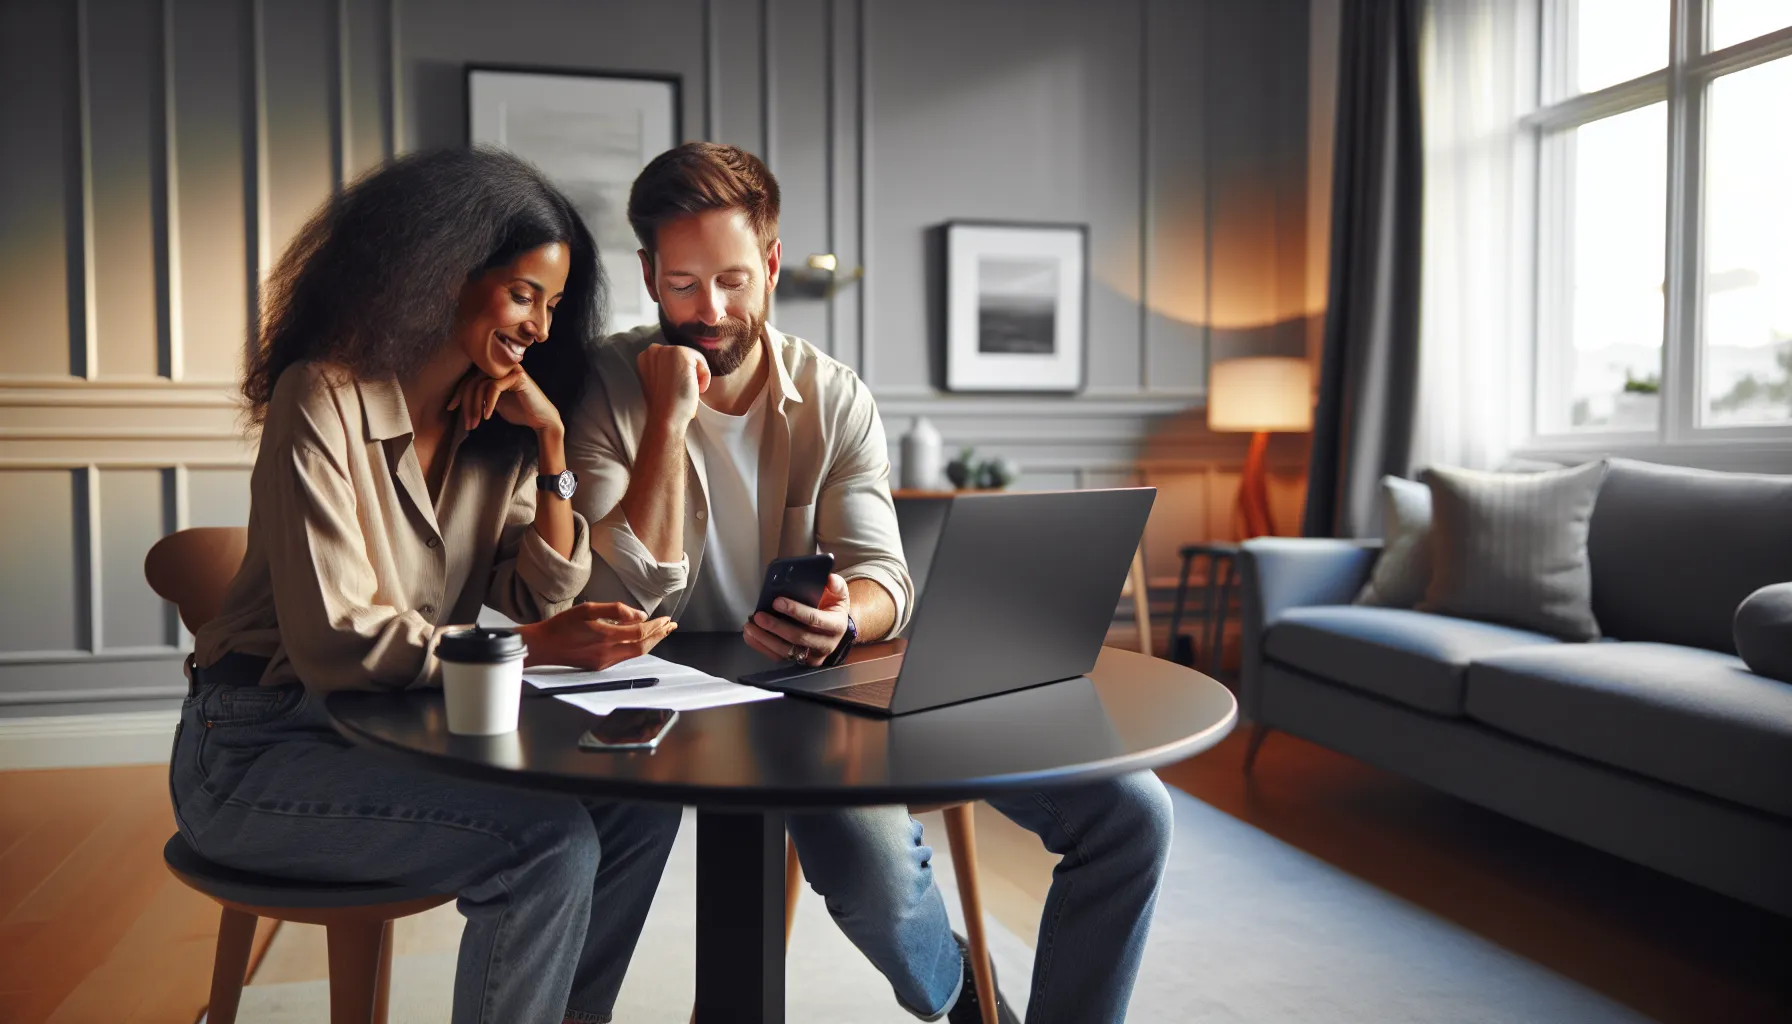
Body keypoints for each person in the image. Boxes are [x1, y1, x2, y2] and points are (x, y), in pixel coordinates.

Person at [567, 142, 1173, 1024]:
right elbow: (614, 588)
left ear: (770, 263)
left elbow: (884, 574)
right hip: (666, 689)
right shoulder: (606, 387)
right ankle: (967, 995)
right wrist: (668, 418)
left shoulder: (834, 395)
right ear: (649, 273)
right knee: (875, 876)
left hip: (813, 683)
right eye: (685, 284)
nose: (711, 311)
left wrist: (847, 617)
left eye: (734, 280)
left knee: (1132, 815)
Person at [169, 148, 683, 1024]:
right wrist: (528, 651)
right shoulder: (321, 396)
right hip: (257, 750)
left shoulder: (496, 426)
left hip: (401, 729)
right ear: (439, 273)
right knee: (545, 844)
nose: (541, 329)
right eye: (524, 295)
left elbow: (539, 599)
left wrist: (553, 447)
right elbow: (338, 642)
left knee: (637, 806)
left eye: (555, 306)